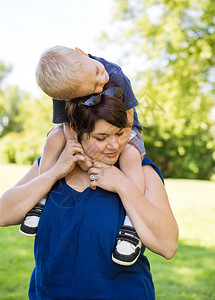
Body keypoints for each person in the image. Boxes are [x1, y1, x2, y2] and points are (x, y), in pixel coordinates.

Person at [0, 82, 178, 299]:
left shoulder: (141, 172)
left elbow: (168, 246)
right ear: (76, 132)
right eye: (101, 138)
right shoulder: (51, 164)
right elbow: (3, 213)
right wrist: (53, 174)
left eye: (120, 133)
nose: (114, 145)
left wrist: (122, 185)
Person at [19, 46, 147, 266]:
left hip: (123, 127)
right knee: (54, 138)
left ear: (82, 52)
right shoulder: (65, 88)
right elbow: (67, 125)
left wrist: (116, 144)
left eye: (98, 74)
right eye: (95, 86)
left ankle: (131, 227)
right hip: (84, 129)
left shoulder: (113, 73)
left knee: (130, 156)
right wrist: (79, 150)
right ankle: (40, 199)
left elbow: (126, 119)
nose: (101, 80)